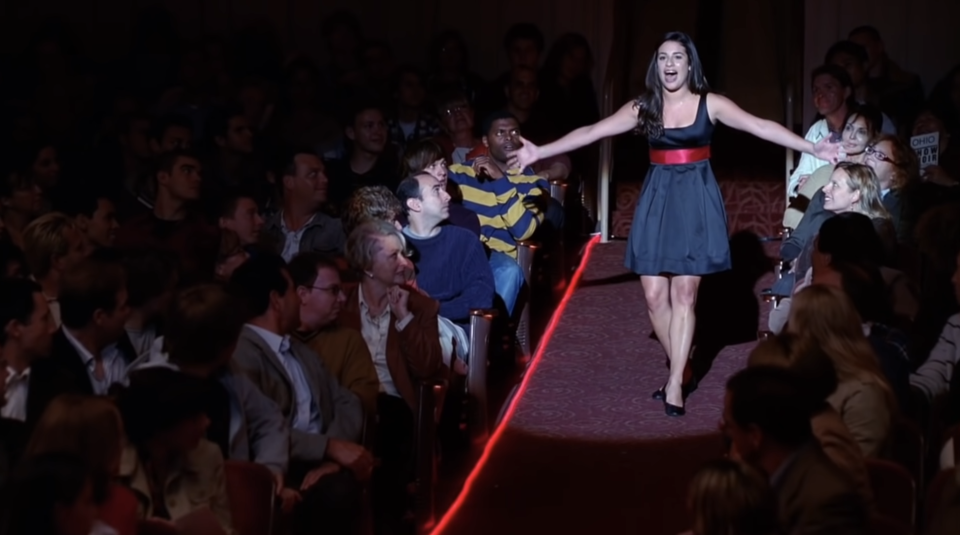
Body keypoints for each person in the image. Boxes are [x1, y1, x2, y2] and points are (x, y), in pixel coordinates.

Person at [510, 31, 840, 416]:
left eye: (677, 57)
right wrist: (541, 150)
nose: (670, 64)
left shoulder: (709, 103)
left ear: (689, 64)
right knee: (654, 297)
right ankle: (682, 366)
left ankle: (673, 385)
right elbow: (593, 132)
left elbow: (760, 126)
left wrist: (812, 147)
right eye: (663, 57)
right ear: (657, 65)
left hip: (696, 198)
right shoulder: (643, 106)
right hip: (657, 199)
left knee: (685, 295)